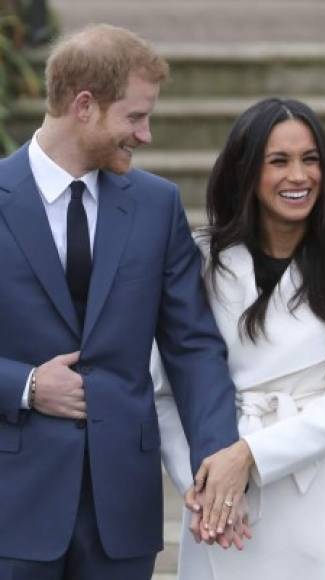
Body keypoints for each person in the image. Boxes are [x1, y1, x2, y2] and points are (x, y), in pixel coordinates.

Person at [0, 24, 253, 580]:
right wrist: (26, 386)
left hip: (121, 511)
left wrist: (215, 459)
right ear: (84, 106)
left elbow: (192, 347)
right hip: (11, 502)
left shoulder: (156, 206)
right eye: (135, 117)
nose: (146, 135)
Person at [153, 97, 325, 579]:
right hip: (224, 507)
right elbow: (163, 391)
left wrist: (249, 458)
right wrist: (205, 488)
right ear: (245, 171)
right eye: (278, 161)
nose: (298, 176)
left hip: (324, 498)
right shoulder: (198, 260)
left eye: (310, 159)